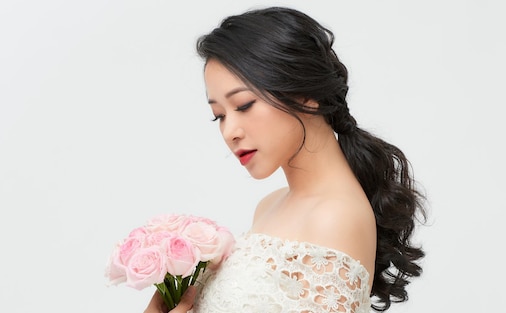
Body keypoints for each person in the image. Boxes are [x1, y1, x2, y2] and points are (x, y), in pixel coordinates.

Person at [145, 6, 426, 313]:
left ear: (306, 92)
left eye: (243, 105)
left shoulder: (334, 217)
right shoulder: (270, 205)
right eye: (219, 116)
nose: (230, 132)